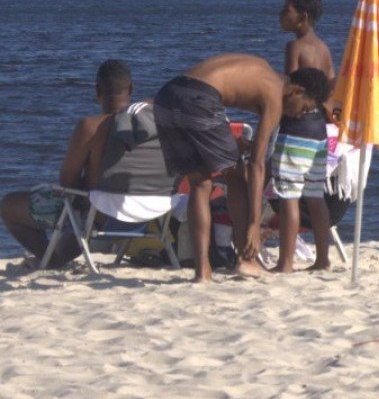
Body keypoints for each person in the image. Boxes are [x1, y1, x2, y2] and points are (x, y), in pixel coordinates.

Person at [2, 60, 155, 267]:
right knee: (83, 207)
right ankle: (55, 256)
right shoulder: (154, 124)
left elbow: (67, 183)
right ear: (131, 88)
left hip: (103, 217)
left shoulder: (90, 127)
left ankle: (50, 259)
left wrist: (86, 182)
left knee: (8, 204)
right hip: (148, 214)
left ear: (97, 90)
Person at [153, 53, 284, 281]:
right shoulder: (277, 93)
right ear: (297, 92)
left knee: (200, 183)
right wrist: (254, 224)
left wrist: (231, 144)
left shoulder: (259, 68)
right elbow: (256, 163)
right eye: (301, 108)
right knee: (236, 174)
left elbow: (207, 93)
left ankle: (202, 271)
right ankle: (247, 260)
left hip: (166, 96)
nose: (292, 115)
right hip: (200, 98)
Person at [268, 67, 333, 273]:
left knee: (289, 197)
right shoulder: (322, 50)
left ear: (298, 89)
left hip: (295, 134)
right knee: (315, 196)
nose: (299, 109)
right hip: (319, 130)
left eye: (303, 106)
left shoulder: (294, 49)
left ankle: (285, 263)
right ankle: (323, 259)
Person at [279, 0, 334, 81]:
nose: (281, 13)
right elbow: (331, 82)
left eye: (286, 10)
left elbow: (290, 86)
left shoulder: (294, 47)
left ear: (303, 16)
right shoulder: (324, 48)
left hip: (303, 95)